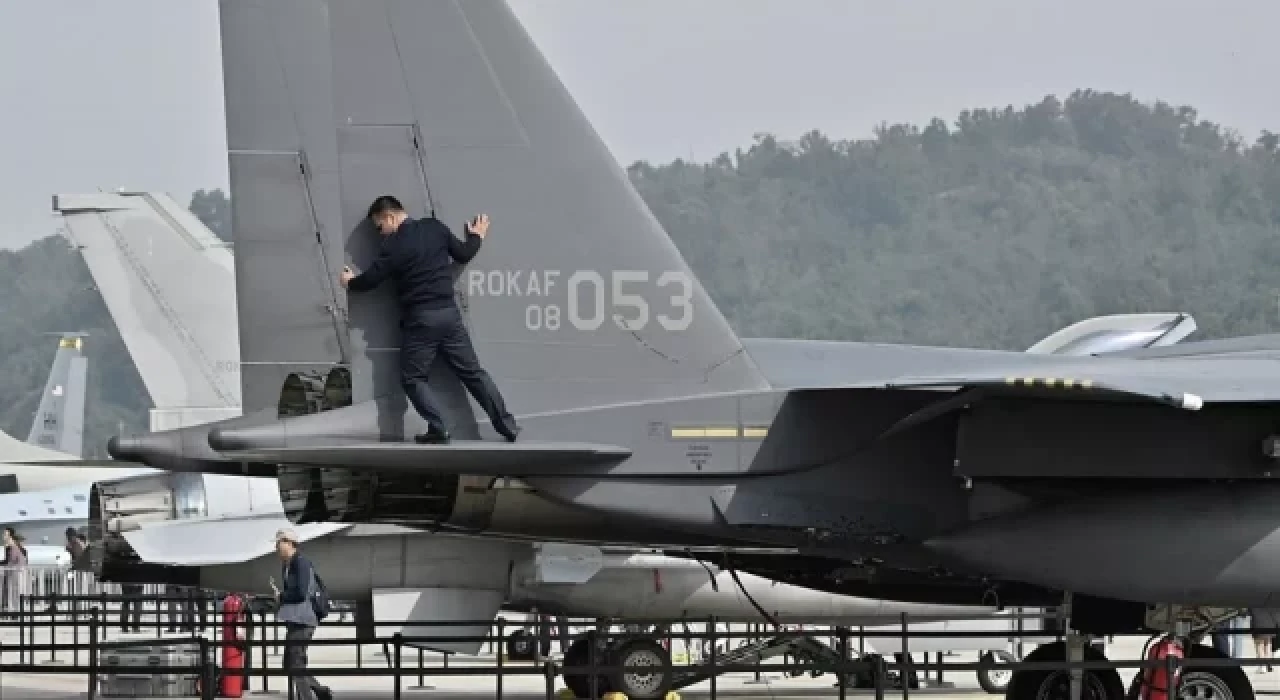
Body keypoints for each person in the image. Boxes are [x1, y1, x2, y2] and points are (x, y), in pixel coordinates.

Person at [340, 195, 521, 444]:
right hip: (449, 315)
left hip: (421, 320)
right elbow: (463, 253)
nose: (381, 233)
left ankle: (439, 428)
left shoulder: (394, 246)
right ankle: (507, 426)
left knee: (413, 378)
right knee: (473, 374)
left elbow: (371, 280)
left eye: (379, 227)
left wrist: (350, 282)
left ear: (389, 217)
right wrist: (477, 236)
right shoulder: (434, 227)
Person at [273, 528, 330, 700]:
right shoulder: (287, 566)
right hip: (294, 620)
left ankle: (309, 696)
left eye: (278, 543)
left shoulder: (301, 563)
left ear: (289, 543)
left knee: (296, 664)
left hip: (305, 620)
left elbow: (301, 592)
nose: (276, 547)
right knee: (289, 664)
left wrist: (281, 596)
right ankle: (321, 691)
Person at [1, 527, 27, 617]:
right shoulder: (11, 547)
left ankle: (13, 612)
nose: (3, 536)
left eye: (5, 534)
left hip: (15, 572)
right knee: (11, 592)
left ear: (10, 536)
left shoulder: (12, 547)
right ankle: (11, 611)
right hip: (13, 572)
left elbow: (10, 561)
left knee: (13, 592)